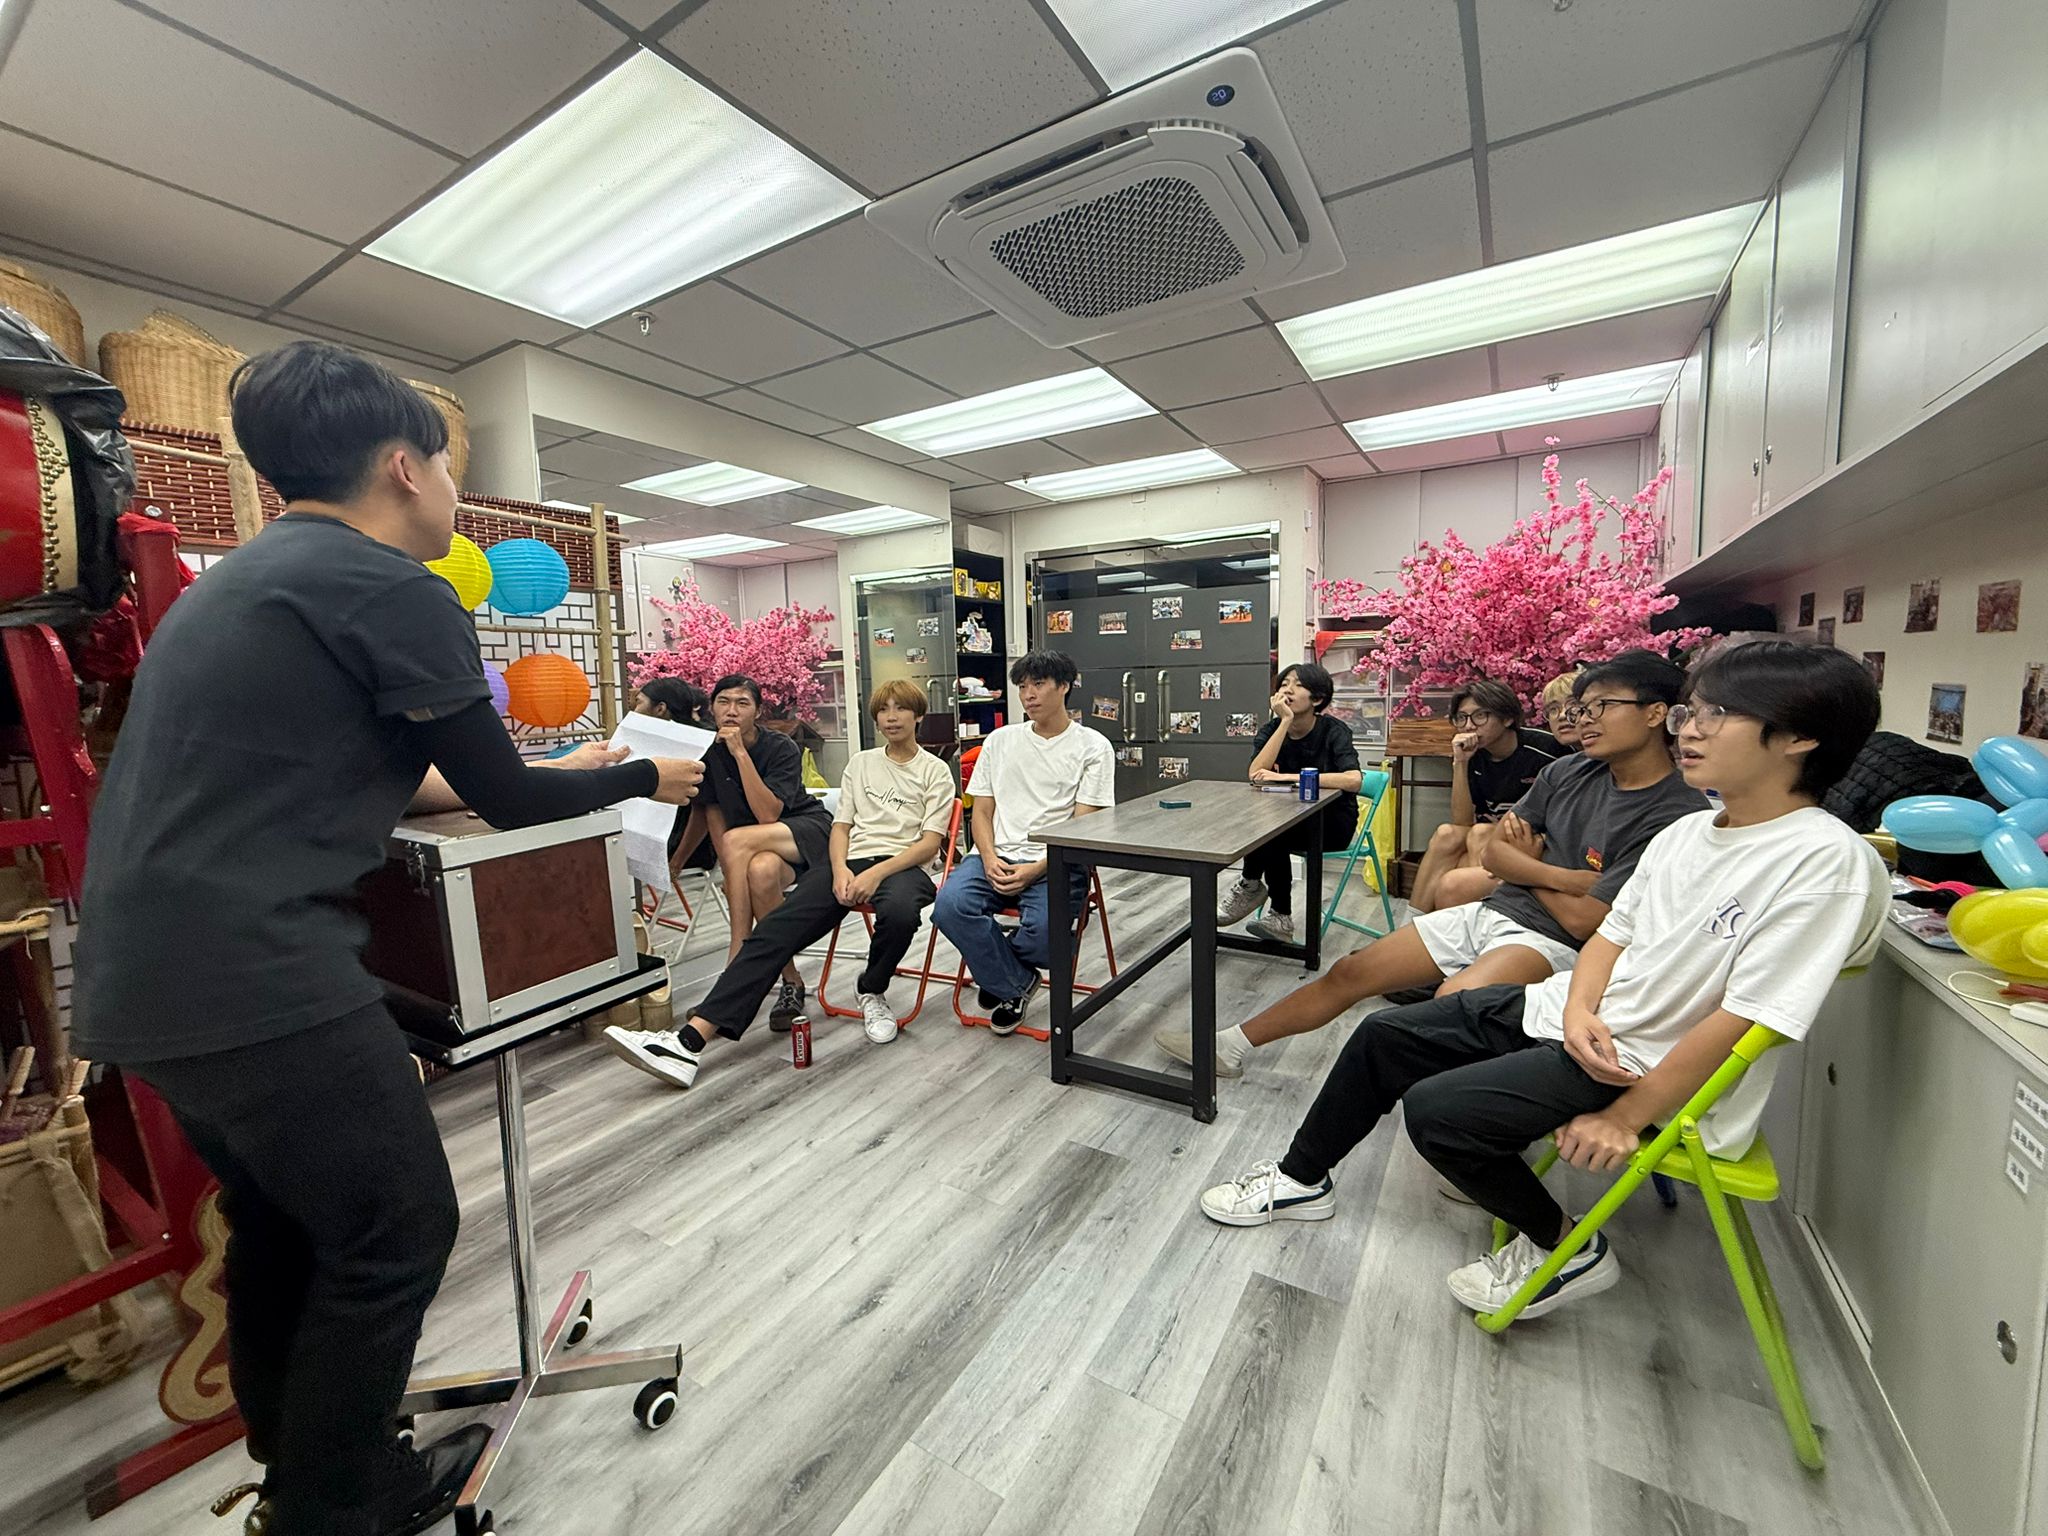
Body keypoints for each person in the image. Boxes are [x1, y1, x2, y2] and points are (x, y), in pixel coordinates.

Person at [69, 342, 702, 1536]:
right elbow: (507, 799)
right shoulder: (389, 585)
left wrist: (554, 764)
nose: (455, 494)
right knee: (398, 1230)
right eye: (450, 468)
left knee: (285, 1223)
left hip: (140, 986)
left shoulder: (243, 583)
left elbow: (390, 776)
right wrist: (635, 774)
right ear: (404, 467)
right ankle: (339, 1506)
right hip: (258, 973)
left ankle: (304, 1469)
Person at [1197, 641, 1886, 1321]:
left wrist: (1625, 1116)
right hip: (1575, 1017)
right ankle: (1301, 1179)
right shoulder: (1691, 833)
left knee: (1437, 1112)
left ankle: (1565, 1248)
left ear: (1799, 737)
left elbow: (1748, 1018)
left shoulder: (1825, 860)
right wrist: (1580, 1007)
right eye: (1692, 712)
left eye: (1717, 714)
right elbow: (1609, 936)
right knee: (1383, 1035)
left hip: (1639, 1064)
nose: (1693, 729)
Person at [1156, 651, 1706, 1080]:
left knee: (1451, 1002)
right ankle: (1229, 1046)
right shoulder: (1570, 773)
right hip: (1497, 907)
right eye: (1580, 709)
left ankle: (1458, 1112)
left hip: (1555, 944)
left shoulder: (1675, 813)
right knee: (1351, 971)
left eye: (1600, 707)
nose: (1582, 721)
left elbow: (1586, 921)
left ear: (1656, 713)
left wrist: (1523, 866)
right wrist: (1550, 874)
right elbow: (1494, 851)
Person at [602, 681, 955, 1087]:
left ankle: (871, 989)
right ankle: (688, 1043)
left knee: (900, 911)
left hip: (903, 866)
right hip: (850, 860)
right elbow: (841, 827)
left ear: (918, 716)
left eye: (901, 709)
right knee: (774, 930)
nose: (891, 718)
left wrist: (875, 874)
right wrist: (840, 869)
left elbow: (929, 844)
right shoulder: (861, 763)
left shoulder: (934, 770)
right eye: (884, 710)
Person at [933, 650, 1115, 1034]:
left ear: (1064, 687)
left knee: (1048, 939)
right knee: (949, 906)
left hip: (1057, 859)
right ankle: (1015, 983)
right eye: (1022, 686)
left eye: (1039, 684)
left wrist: (1035, 869)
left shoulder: (1093, 746)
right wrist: (987, 857)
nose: (1029, 695)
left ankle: (999, 974)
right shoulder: (1000, 741)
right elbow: (981, 812)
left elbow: (1084, 826)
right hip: (995, 854)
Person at [668, 675, 833, 1032]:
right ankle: (791, 981)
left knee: (739, 841)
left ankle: (736, 963)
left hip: (803, 832)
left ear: (757, 712)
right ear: (711, 708)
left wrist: (740, 753)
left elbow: (768, 815)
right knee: (759, 872)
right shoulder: (708, 752)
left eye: (742, 703)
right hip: (752, 847)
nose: (731, 711)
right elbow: (710, 814)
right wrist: (687, 863)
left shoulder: (780, 748)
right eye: (723, 702)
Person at [1215, 662, 1364, 944]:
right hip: (1286, 820)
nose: (1288, 690)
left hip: (1331, 823)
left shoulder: (1334, 731)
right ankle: (1259, 894)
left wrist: (1288, 777)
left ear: (1317, 699)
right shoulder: (1272, 729)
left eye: (1298, 684)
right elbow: (1255, 774)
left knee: (1273, 831)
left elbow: (1353, 780)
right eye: (1284, 684)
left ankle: (1265, 900)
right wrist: (1284, 722)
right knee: (1268, 828)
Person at [1408, 679, 1559, 913]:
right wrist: (1460, 762)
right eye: (1462, 718)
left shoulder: (1545, 750)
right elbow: (1462, 822)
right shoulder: (1473, 754)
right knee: (1447, 833)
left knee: (1478, 836)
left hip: (1532, 842)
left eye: (1480, 716)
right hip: (1485, 840)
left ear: (1507, 718)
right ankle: (1412, 922)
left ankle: (1477, 916)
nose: (1469, 726)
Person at [631, 678, 717, 870]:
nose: (634, 711)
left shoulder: (699, 746)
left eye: (639, 703)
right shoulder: (653, 741)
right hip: (656, 832)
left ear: (660, 709)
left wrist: (676, 863)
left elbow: (702, 812)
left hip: (684, 845)